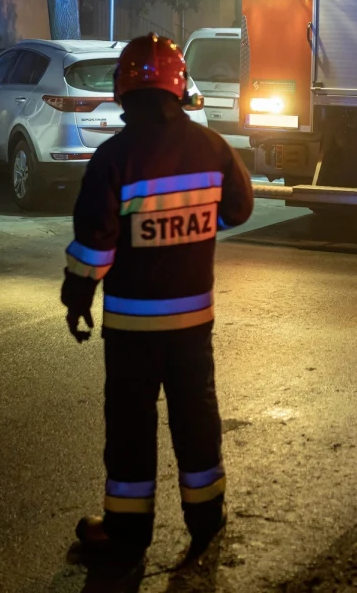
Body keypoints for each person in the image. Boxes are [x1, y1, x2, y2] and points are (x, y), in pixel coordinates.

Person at [60, 33, 253, 564]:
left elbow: (95, 245)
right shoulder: (212, 148)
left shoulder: (113, 157)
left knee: (130, 426)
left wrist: (76, 300)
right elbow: (238, 210)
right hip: (193, 322)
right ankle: (206, 517)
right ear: (179, 87)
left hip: (131, 329)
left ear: (124, 89)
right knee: (196, 415)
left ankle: (127, 533)